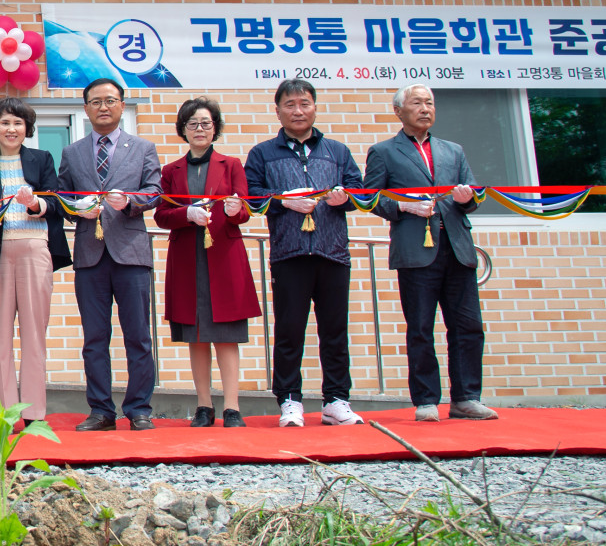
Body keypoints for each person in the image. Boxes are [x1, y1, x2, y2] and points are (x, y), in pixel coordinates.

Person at [364, 84, 494, 422]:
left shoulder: (454, 151)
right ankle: (426, 400)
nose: (425, 108)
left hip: (457, 248)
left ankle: (466, 397)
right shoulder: (384, 151)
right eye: (417, 103)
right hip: (415, 250)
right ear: (399, 111)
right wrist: (405, 207)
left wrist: (468, 199)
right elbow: (371, 198)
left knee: (468, 326)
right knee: (420, 327)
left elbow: (474, 197)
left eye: (429, 103)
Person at [244, 79, 366, 428]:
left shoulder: (337, 151)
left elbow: (360, 191)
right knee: (290, 329)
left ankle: (337, 400)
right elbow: (253, 197)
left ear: (314, 107)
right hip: (289, 253)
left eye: (305, 103)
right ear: (278, 109)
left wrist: (347, 197)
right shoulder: (263, 153)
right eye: (290, 105)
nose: (298, 111)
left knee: (335, 330)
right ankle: (289, 400)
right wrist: (284, 201)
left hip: (332, 252)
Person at [0, 97, 71, 430]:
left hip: (35, 249)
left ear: (27, 128)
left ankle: (35, 414)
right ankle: (5, 415)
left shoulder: (42, 159)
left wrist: (36, 202)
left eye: (18, 123)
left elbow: (60, 205)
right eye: (5, 122)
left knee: (35, 334)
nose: (11, 129)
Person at [57, 77, 162, 432]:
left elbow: (154, 191)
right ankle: (101, 410)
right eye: (96, 101)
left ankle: (139, 408)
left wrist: (131, 201)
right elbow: (62, 196)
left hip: (131, 253)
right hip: (89, 254)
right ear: (85, 109)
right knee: (94, 338)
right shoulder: (72, 153)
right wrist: (76, 209)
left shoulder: (143, 147)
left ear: (121, 105)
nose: (104, 107)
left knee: (138, 336)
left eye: (111, 101)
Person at [153, 97, 260, 428]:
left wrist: (233, 211)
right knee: (195, 334)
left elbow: (244, 210)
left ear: (216, 128)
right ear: (183, 130)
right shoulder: (171, 171)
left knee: (226, 334)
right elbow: (161, 215)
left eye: (206, 123)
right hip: (187, 257)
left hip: (223, 257)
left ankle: (232, 407)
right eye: (192, 124)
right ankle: (203, 406)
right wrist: (187, 213)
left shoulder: (232, 165)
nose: (199, 130)